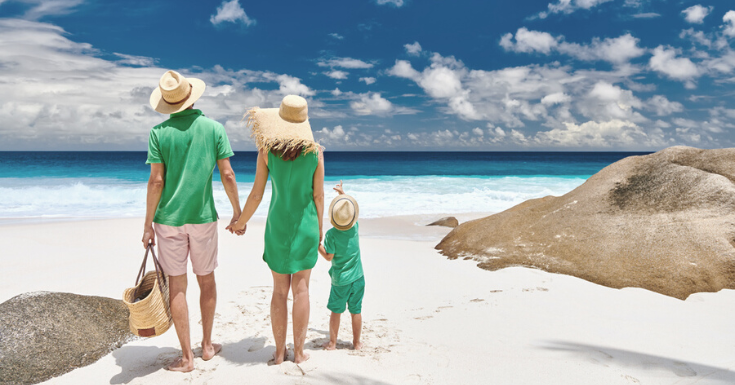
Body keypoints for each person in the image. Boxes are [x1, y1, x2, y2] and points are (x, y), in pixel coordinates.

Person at [142, 70, 242, 372]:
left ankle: (187, 357)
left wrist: (147, 225)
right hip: (203, 219)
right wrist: (237, 212)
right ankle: (208, 346)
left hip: (168, 221)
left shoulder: (158, 133)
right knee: (206, 279)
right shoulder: (214, 129)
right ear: (191, 96)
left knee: (178, 286)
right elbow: (227, 174)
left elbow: (156, 182)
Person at [231, 94, 324, 365]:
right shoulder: (315, 152)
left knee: (279, 292)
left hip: (277, 228)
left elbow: (257, 194)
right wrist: (319, 229)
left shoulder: (267, 151)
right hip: (306, 226)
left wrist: (241, 222)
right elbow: (318, 196)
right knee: (302, 291)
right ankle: (300, 353)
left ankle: (280, 353)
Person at [317, 181, 364, 350]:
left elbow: (329, 257)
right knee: (355, 311)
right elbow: (347, 213)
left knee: (336, 311)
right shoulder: (355, 228)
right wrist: (342, 195)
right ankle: (357, 343)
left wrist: (318, 246)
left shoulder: (331, 235)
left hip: (341, 280)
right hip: (358, 278)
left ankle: (332, 343)